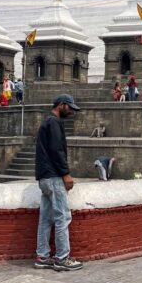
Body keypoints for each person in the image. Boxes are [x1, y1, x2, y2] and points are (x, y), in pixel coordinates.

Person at [34, 94, 82, 271]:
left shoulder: (47, 122)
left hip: (44, 177)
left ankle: (42, 256)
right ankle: (62, 257)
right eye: (69, 107)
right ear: (61, 105)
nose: (71, 111)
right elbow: (56, 151)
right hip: (54, 177)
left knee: (46, 218)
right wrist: (66, 174)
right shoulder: (54, 123)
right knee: (62, 216)